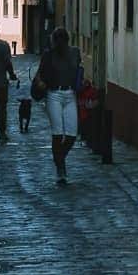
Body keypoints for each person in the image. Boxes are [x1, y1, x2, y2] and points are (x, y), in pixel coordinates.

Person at [37, 26, 82, 185]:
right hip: (54, 94)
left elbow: (78, 71)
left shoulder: (75, 53)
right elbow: (40, 74)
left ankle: (59, 158)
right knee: (57, 132)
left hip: (70, 94)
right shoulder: (49, 55)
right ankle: (61, 169)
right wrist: (41, 83)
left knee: (71, 134)